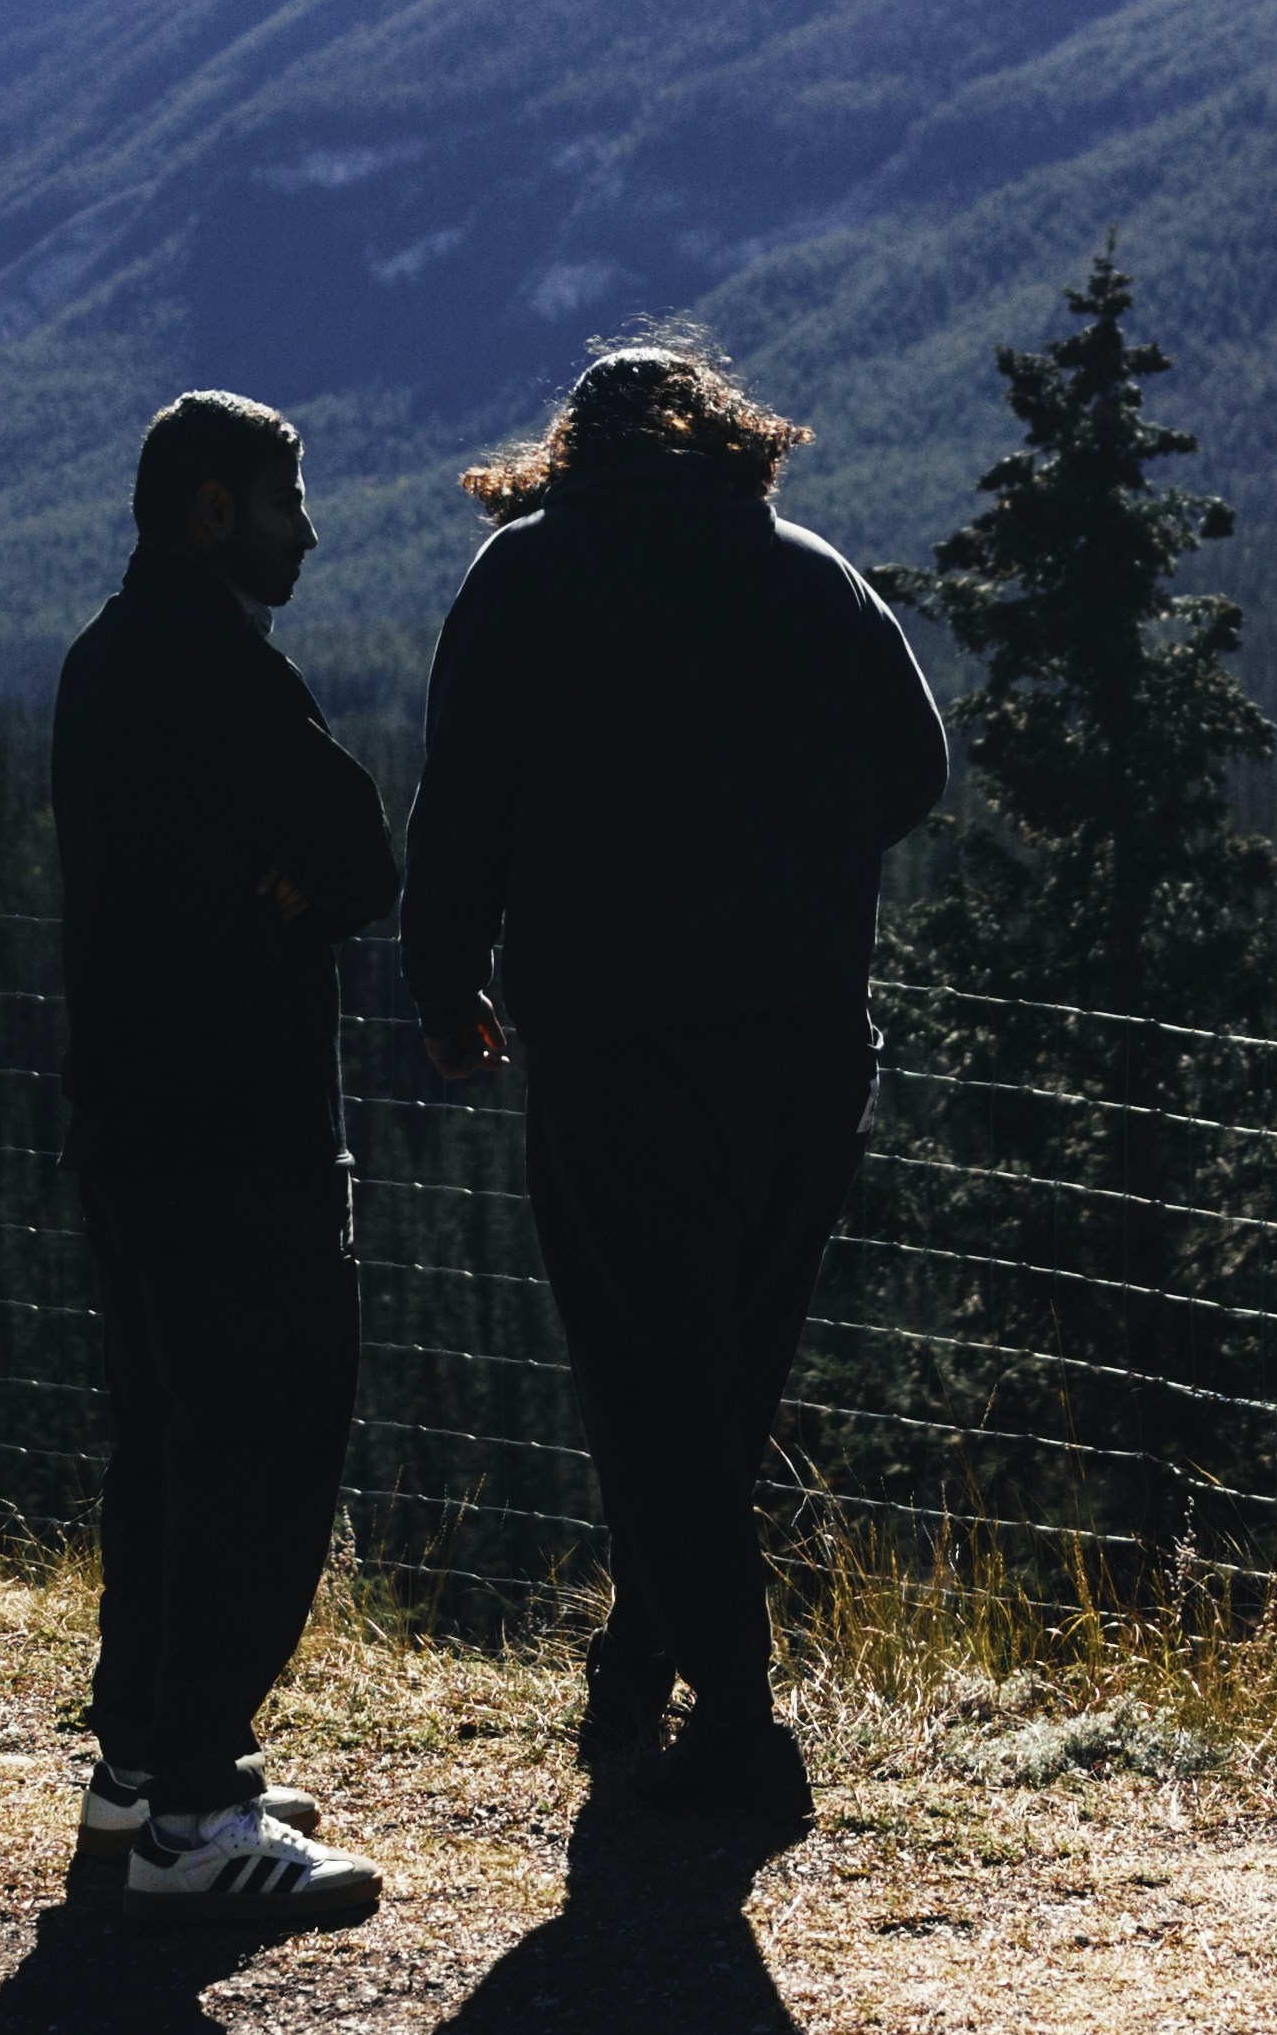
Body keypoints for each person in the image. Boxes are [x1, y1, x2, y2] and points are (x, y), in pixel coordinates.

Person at [400, 337, 948, 1827]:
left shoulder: (530, 576)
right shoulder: (812, 573)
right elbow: (916, 771)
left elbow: (463, 806)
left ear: (573, 445)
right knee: (726, 1362)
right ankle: (646, 1657)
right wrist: (792, 857)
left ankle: (740, 1711)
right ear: (726, 438)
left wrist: (446, 989)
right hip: (804, 1047)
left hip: (619, 1047)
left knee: (648, 1365)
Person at [52, 387, 398, 1933]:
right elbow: (363, 856)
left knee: (165, 1450)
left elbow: (305, 860)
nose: (306, 528)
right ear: (210, 512)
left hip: (126, 1127)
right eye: (283, 499)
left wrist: (286, 883)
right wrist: (286, 896)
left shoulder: (102, 663)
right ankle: (197, 1805)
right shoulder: (228, 675)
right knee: (263, 1447)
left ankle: (140, 1776)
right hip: (241, 1136)